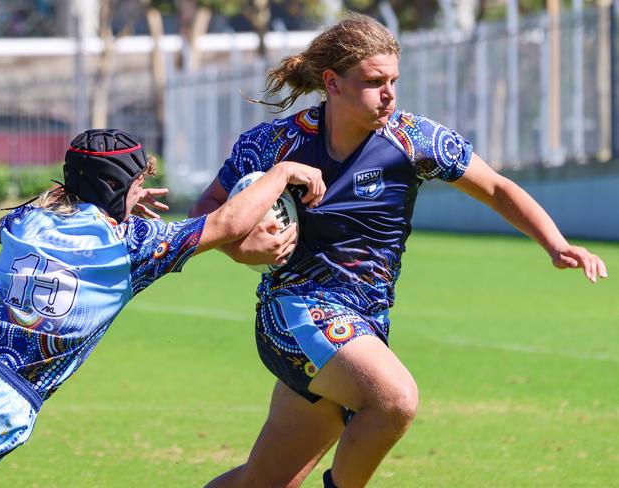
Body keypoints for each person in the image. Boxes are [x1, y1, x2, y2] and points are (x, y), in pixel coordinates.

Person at [190, 13, 608, 488]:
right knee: (394, 400)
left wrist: (555, 243)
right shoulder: (275, 143)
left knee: (262, 484)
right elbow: (209, 209)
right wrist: (242, 249)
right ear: (333, 83)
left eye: (394, 80)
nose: (389, 93)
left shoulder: (413, 139)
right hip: (294, 313)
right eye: (373, 82)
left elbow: (494, 187)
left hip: (365, 321)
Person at [0, 128, 325, 480]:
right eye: (136, 184)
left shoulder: (26, 221)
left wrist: (107, 203)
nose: (141, 192)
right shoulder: (132, 244)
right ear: (114, 186)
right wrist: (281, 172)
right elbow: (228, 222)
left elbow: (13, 220)